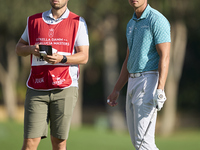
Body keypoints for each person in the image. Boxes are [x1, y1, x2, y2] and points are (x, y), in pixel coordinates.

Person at [15, 0, 89, 149]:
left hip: (65, 88)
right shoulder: (33, 20)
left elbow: (84, 57)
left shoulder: (77, 21)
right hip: (37, 87)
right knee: (29, 143)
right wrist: (31, 49)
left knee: (59, 143)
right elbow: (19, 48)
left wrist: (62, 58)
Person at [107, 0, 170, 149]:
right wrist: (116, 89)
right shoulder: (131, 23)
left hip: (148, 81)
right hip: (132, 82)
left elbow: (165, 56)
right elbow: (129, 59)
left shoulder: (157, 19)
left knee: (144, 143)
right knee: (137, 142)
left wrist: (160, 89)